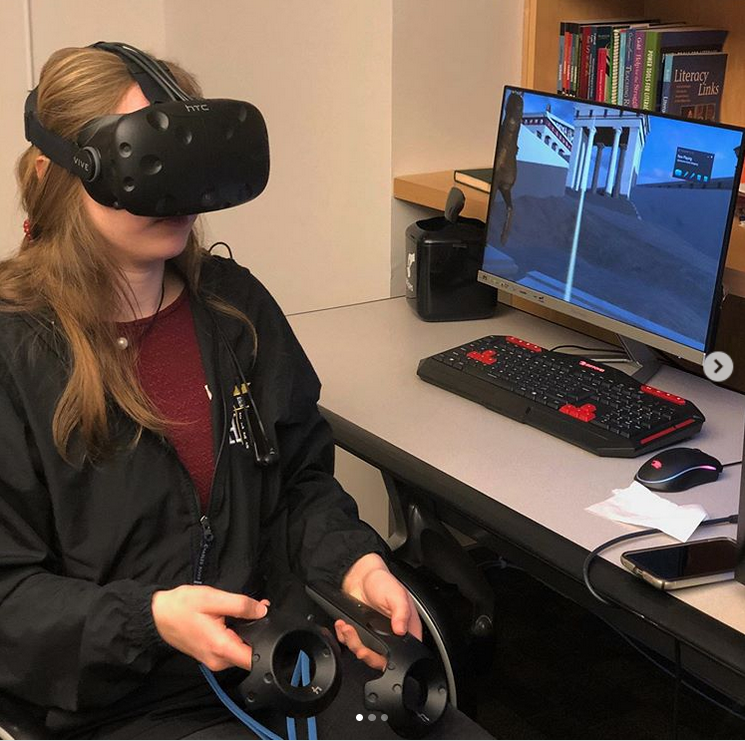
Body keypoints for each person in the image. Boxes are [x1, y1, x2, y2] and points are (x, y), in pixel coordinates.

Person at [0, 44, 491, 740]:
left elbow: (298, 485)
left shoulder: (233, 310)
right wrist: (151, 620)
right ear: (62, 172)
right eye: (151, 163)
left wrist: (351, 558)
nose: (182, 195)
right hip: (115, 702)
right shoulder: (15, 349)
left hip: (276, 657)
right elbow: (9, 598)